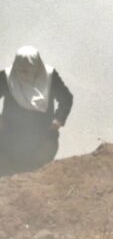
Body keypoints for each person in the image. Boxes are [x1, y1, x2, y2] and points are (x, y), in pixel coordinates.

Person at [0, 46, 73, 177]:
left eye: (28, 69)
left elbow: (66, 98)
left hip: (41, 132)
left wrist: (58, 120)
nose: (24, 73)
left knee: (38, 168)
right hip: (10, 133)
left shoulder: (50, 76)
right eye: (21, 69)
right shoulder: (7, 76)